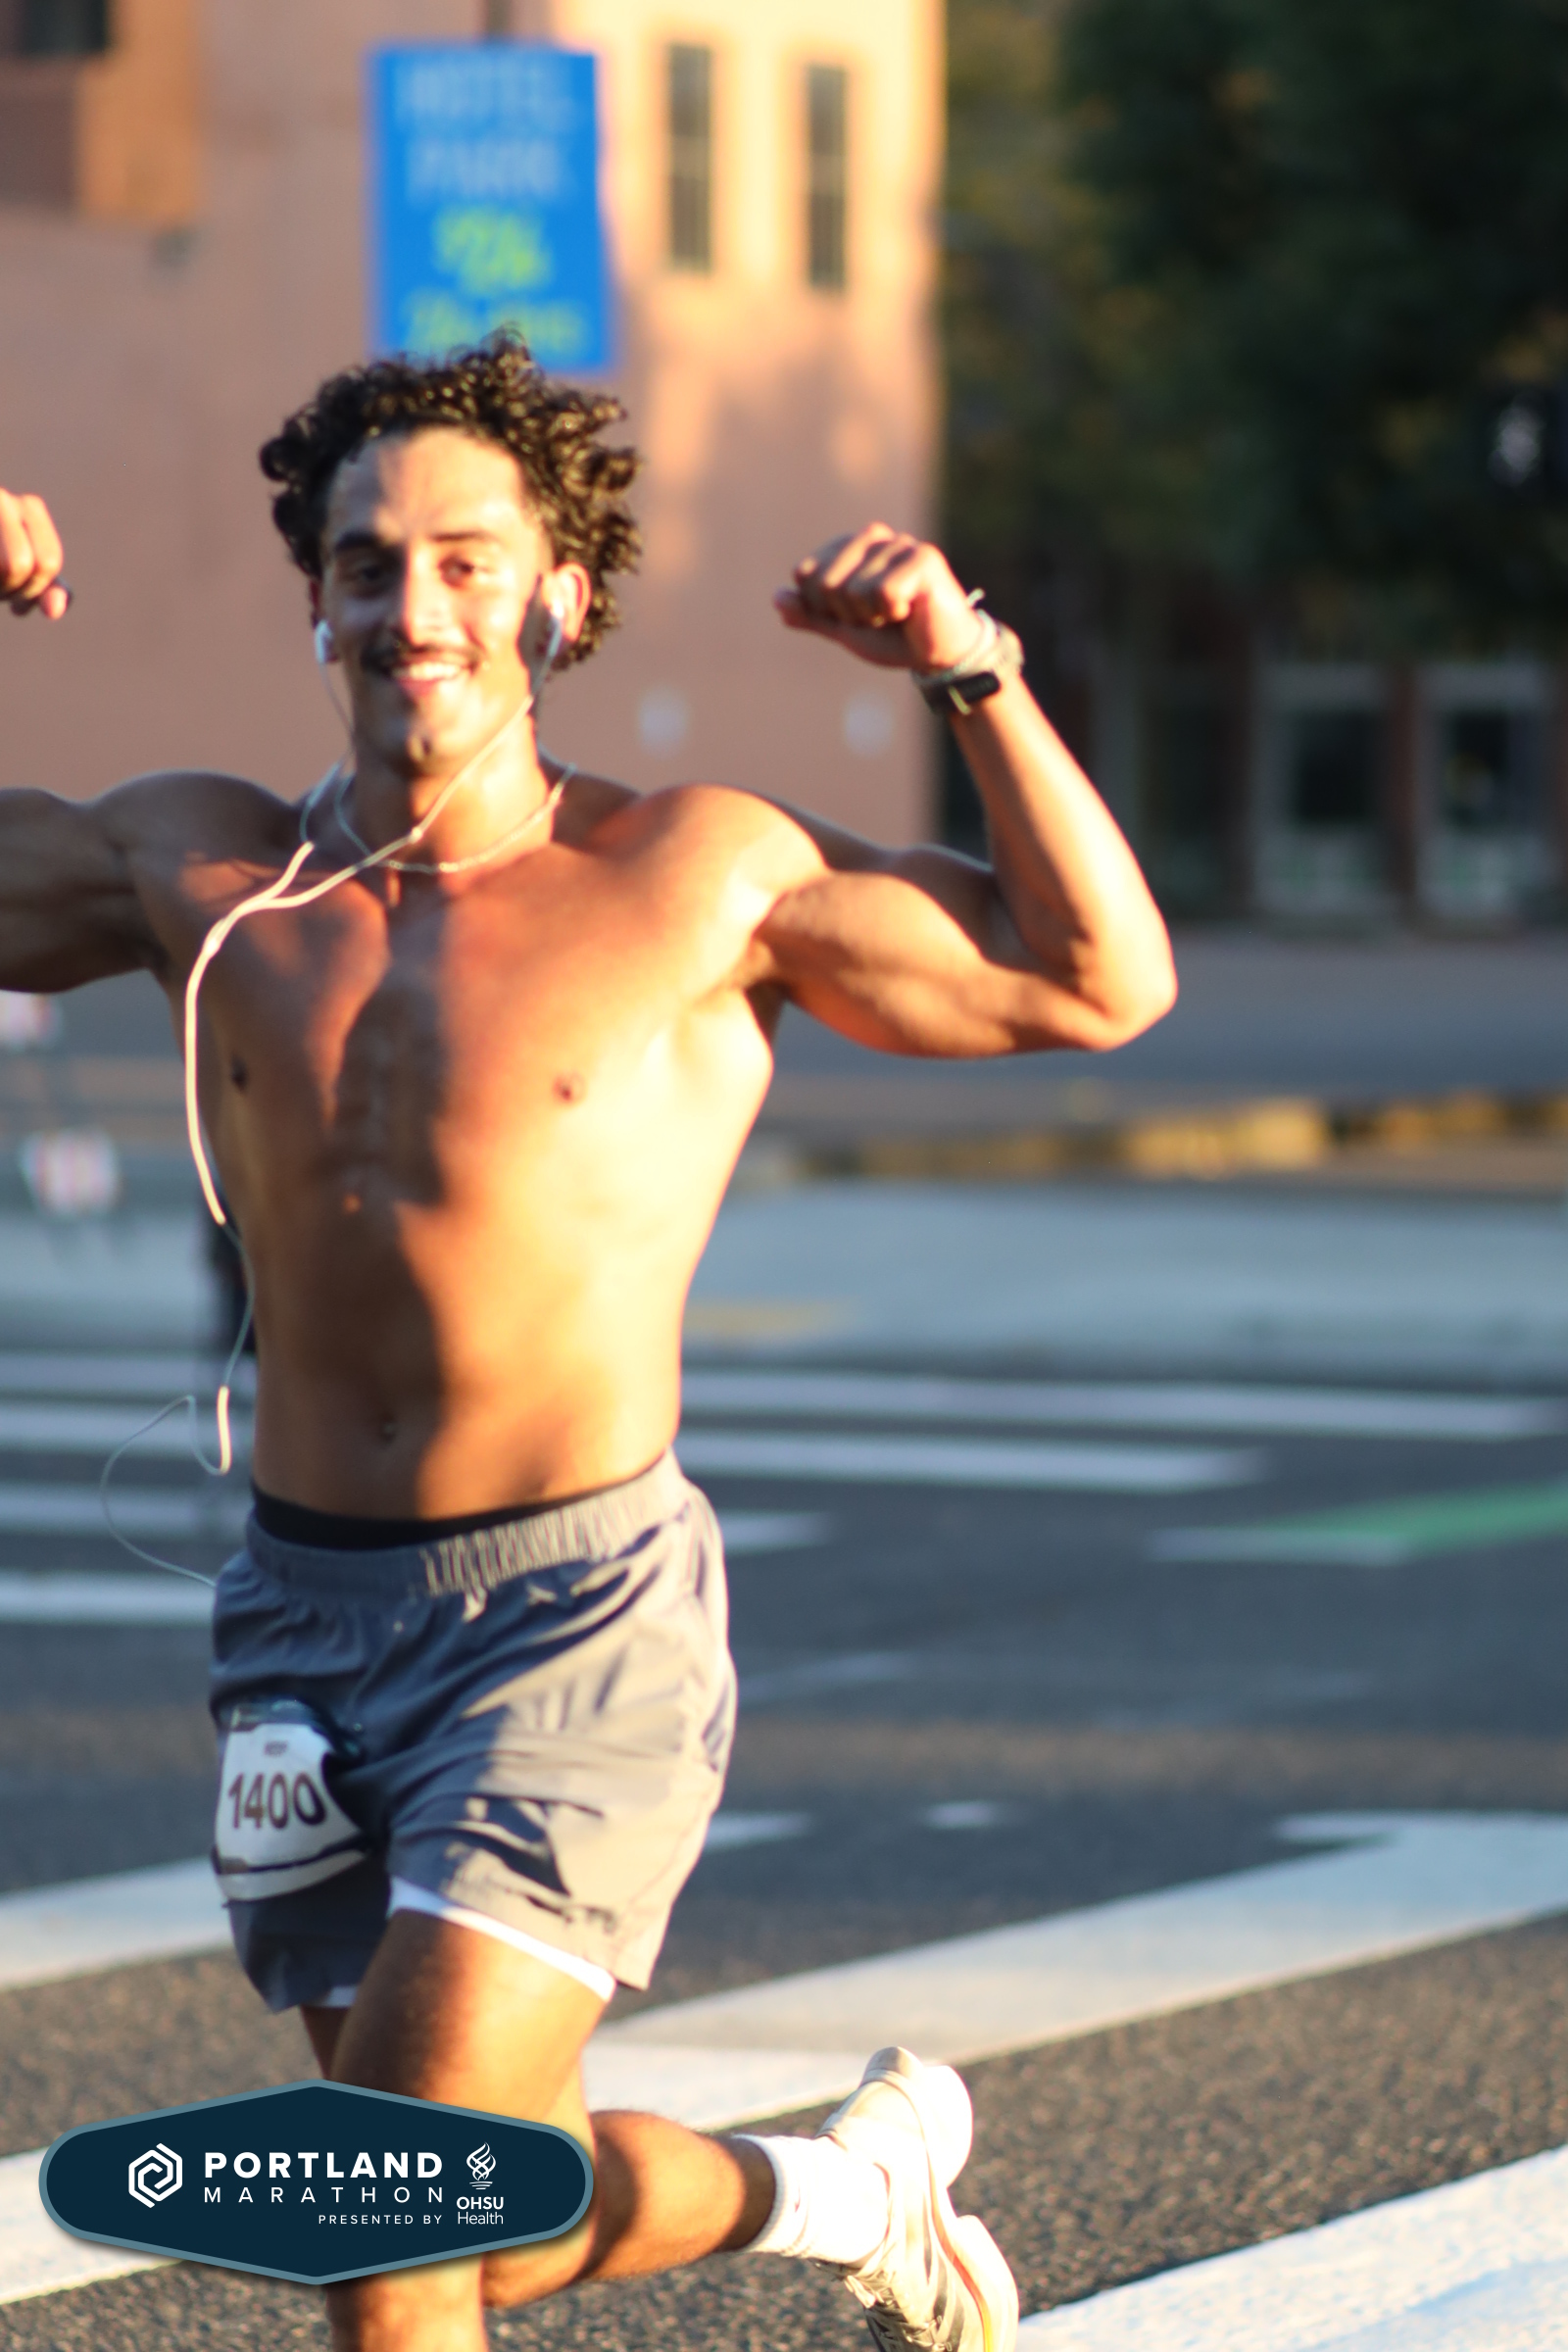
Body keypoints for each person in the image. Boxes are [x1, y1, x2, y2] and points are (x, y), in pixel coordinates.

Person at [0, 334, 1175, 2352]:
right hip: (298, 1623)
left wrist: (964, 670)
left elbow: (1094, 981)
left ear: (562, 597)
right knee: (480, 2228)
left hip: (570, 1624)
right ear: (316, 604)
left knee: (381, 2239)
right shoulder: (202, 871)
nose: (415, 606)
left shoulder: (695, 875)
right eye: (369, 564)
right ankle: (845, 2191)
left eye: (468, 561)